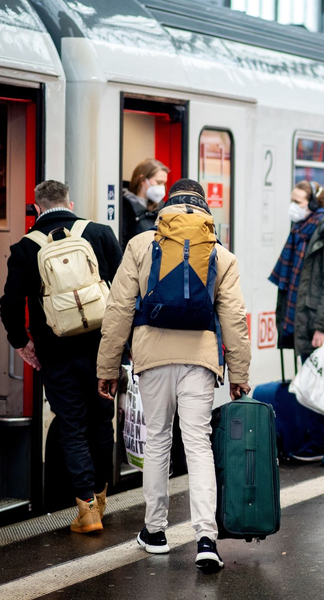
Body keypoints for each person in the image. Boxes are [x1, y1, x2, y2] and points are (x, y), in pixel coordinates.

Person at [96, 179, 252, 570]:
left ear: (167, 206)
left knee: (158, 441)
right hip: (199, 360)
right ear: (204, 208)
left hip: (152, 357)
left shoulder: (140, 245)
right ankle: (206, 539)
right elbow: (234, 319)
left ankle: (155, 531)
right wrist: (239, 373)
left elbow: (118, 310)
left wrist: (108, 367)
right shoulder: (221, 254)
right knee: (198, 445)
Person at [0, 180, 122, 534]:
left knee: (72, 426)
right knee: (102, 422)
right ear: (70, 203)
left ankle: (87, 510)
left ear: (37, 208)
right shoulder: (99, 234)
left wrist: (22, 344)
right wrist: (122, 343)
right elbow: (126, 291)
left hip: (55, 355)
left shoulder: (25, 247)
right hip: (102, 350)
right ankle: (102, 497)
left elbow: (10, 305)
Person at [269, 181, 324, 464]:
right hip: (303, 322)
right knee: (313, 385)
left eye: (299, 201)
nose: (293, 206)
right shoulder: (301, 232)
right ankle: (317, 442)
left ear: (314, 204)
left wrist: (321, 327)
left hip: (322, 326)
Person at [121, 158, 170, 249]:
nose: (162, 187)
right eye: (159, 182)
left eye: (164, 183)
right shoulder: (125, 206)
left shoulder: (161, 207)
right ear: (142, 180)